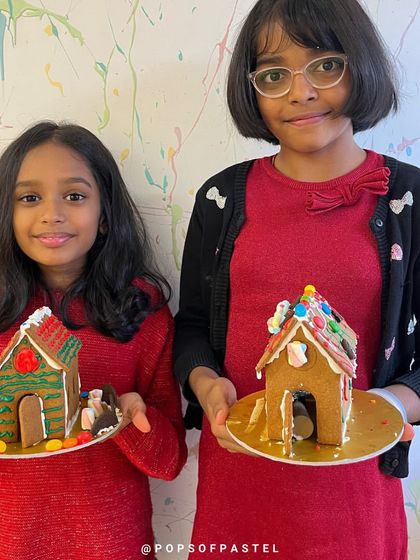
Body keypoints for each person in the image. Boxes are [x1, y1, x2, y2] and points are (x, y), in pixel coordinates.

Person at [174, 1, 420, 559]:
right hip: (240, 479)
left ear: (362, 67)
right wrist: (207, 386)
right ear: (252, 89)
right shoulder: (221, 198)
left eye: (325, 65)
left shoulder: (409, 198)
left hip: (355, 493)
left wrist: (392, 405)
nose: (301, 91)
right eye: (274, 74)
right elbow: (190, 326)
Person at [0, 121, 187, 560]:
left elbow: (170, 462)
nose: (52, 213)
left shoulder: (143, 314)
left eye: (75, 196)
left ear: (105, 217)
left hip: (111, 543)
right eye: (30, 198)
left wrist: (129, 417)